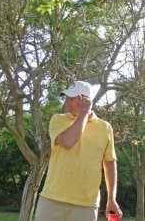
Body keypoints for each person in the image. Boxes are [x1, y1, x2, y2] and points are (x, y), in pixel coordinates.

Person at [34, 81, 122, 221]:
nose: (67, 102)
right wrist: (84, 112)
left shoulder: (105, 128)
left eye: (72, 98)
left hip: (86, 205)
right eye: (66, 98)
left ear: (86, 100)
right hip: (52, 200)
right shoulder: (57, 120)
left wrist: (112, 199)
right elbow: (68, 142)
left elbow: (110, 163)